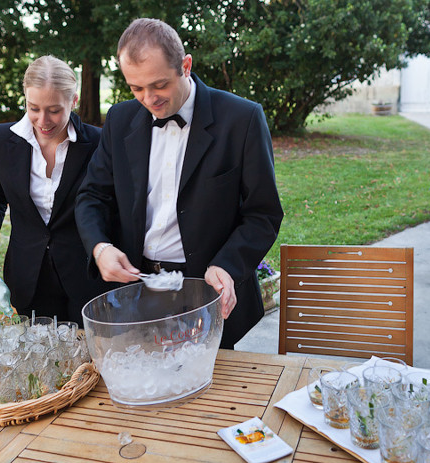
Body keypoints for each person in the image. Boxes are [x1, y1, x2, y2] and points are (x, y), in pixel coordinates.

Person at [75, 18, 283, 348]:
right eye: (136, 88)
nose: (148, 99)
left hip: (212, 295)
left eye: (159, 85)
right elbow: (91, 196)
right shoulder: (119, 119)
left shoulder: (242, 120)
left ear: (185, 66)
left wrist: (227, 266)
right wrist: (100, 248)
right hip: (138, 295)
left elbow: (263, 214)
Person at [0, 55, 109, 326]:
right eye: (34, 108)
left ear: (73, 101)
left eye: (54, 110)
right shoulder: (0, 139)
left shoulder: (100, 143)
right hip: (28, 274)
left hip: (87, 278)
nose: (43, 121)